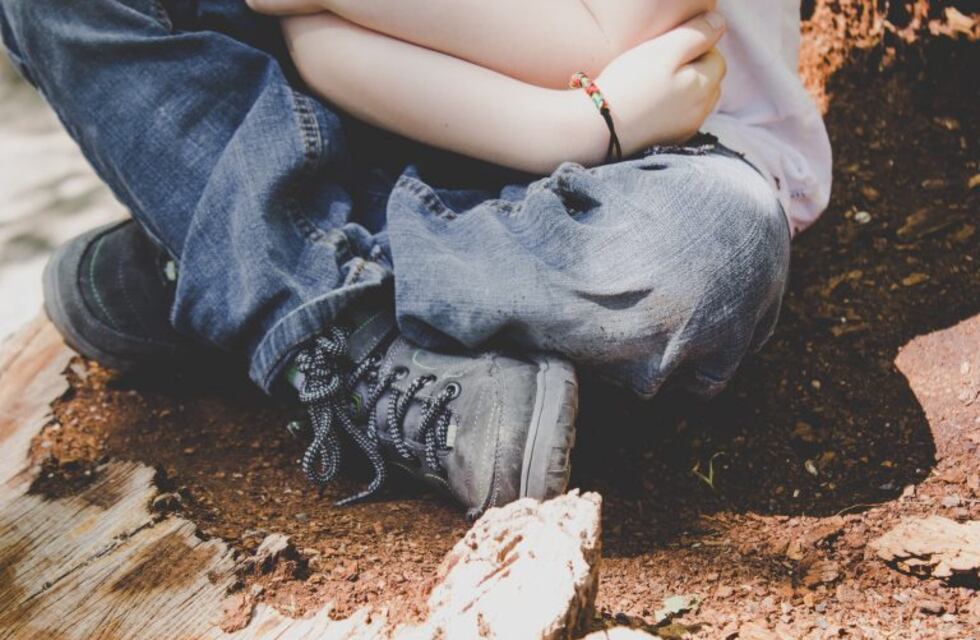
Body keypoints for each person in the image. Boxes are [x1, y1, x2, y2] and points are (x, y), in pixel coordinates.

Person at [0, 0, 830, 519]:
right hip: (405, 132)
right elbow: (313, 42)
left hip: (641, 168)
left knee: (714, 240)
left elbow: (635, 25)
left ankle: (248, 259)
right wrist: (578, 115)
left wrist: (586, 131)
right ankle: (340, 337)